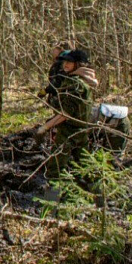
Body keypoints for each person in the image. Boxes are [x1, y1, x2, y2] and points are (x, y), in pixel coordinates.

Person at [36, 50, 94, 196]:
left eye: (69, 62)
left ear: (78, 64)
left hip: (69, 132)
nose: (65, 64)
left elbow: (65, 114)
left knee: (54, 170)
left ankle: (50, 207)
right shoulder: (82, 80)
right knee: (86, 167)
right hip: (82, 131)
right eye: (64, 61)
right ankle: (97, 201)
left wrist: (45, 127)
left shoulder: (75, 83)